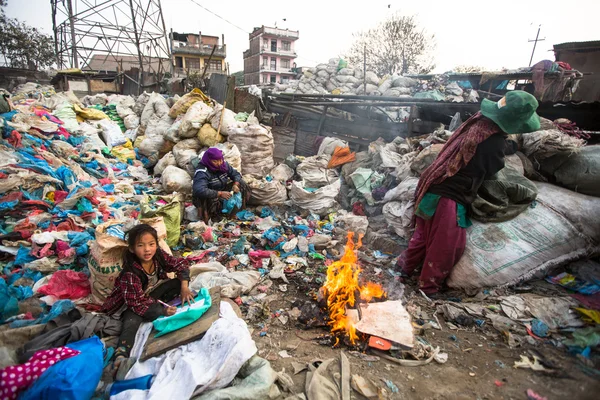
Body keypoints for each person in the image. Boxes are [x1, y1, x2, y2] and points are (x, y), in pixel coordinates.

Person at [396, 91, 541, 295]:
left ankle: (402, 269)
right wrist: (508, 148)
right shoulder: (494, 142)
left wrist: (506, 145)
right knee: (447, 246)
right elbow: (493, 166)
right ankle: (428, 287)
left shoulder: (478, 124)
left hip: (432, 188)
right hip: (448, 199)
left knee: (422, 237)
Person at [101, 224, 198, 377]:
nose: (147, 249)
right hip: (129, 303)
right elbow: (136, 304)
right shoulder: (131, 273)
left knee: (178, 283)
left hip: (150, 294)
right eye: (141, 245)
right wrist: (162, 311)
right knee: (132, 320)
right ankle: (121, 354)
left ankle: (167, 299)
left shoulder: (158, 255)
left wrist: (185, 287)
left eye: (151, 244)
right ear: (132, 248)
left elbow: (180, 264)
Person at [192, 147, 250, 223]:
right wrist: (219, 193)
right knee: (210, 197)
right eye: (215, 161)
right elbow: (199, 190)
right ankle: (214, 217)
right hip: (210, 195)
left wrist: (235, 184)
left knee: (241, 183)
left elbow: (236, 174)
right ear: (209, 160)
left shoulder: (223, 165)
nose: (219, 163)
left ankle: (237, 210)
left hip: (221, 188)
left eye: (220, 160)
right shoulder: (202, 172)